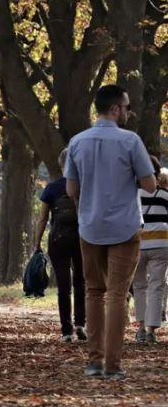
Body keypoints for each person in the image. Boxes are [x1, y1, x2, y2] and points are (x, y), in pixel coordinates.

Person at [65, 84, 157, 379]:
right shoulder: (131, 141)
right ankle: (113, 365)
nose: (129, 112)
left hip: (90, 226)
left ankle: (94, 361)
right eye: (127, 107)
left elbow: (71, 189)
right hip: (125, 226)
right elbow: (150, 185)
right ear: (116, 109)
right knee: (117, 294)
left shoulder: (77, 142)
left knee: (94, 291)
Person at [34, 148, 86, 342]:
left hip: (58, 240)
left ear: (61, 165)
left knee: (64, 285)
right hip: (82, 239)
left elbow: (42, 219)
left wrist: (37, 244)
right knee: (81, 281)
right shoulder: (84, 186)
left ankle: (66, 331)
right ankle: (80, 323)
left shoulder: (51, 188)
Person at [131, 156, 168, 344]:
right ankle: (151, 330)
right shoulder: (165, 195)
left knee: (139, 286)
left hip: (137, 244)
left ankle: (141, 329)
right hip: (161, 244)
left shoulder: (132, 195)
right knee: (157, 285)